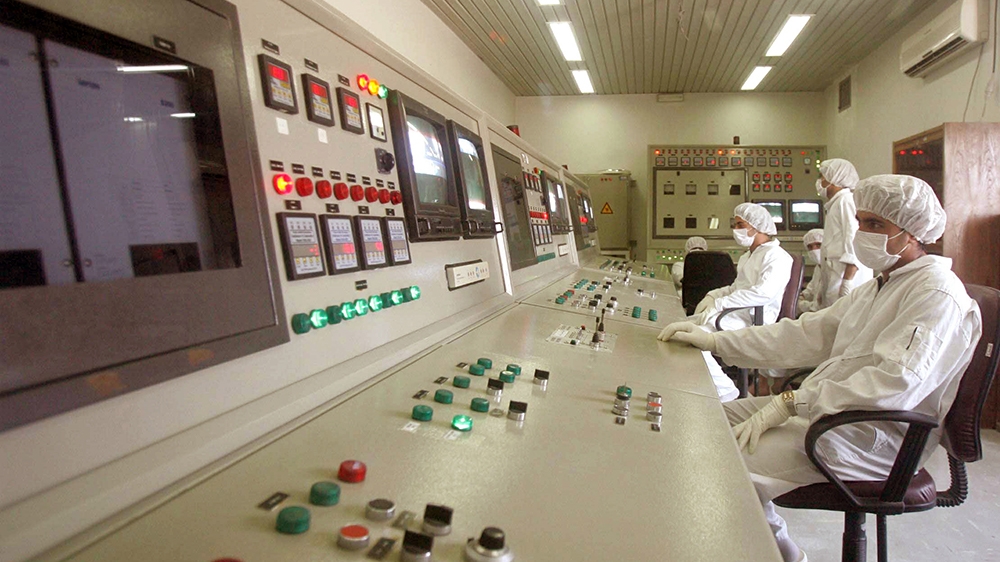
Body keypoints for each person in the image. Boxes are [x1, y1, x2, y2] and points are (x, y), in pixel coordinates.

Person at [657, 175, 982, 562]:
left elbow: (893, 382)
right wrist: (716, 341)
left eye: (876, 224)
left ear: (913, 231)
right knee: (700, 420)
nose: (861, 232)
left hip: (870, 435)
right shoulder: (884, 284)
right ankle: (786, 555)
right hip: (827, 412)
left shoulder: (935, 293)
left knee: (714, 461)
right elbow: (806, 333)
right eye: (860, 221)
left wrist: (792, 402)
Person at [669, 203, 793, 402]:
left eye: (740, 224)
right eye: (735, 224)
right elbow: (736, 288)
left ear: (756, 226)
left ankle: (728, 394)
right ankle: (698, 388)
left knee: (692, 342)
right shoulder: (748, 256)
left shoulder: (777, 257)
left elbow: (763, 293)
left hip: (754, 319)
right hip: (734, 313)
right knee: (678, 331)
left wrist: (721, 304)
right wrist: (713, 295)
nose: (736, 230)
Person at [815, 159, 873, 308]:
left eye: (822, 177)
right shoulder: (835, 204)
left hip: (846, 276)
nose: (819, 182)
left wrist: (847, 281)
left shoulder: (846, 201)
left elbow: (853, 239)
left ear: (835, 179)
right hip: (836, 274)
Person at [796, 228, 824, 316]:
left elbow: (821, 305)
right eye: (810, 247)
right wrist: (802, 296)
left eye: (818, 245)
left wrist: (803, 305)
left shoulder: (833, 269)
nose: (814, 250)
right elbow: (811, 290)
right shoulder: (818, 268)